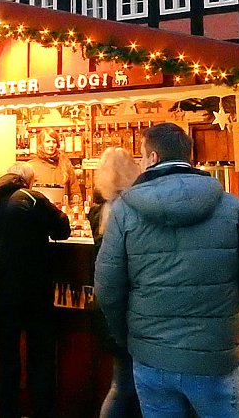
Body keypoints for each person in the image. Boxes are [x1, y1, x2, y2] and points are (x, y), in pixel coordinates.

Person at [95, 123, 239, 418]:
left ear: (153, 157)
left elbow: (107, 289)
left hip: (151, 355)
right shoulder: (230, 206)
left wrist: (129, 337)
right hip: (213, 356)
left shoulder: (125, 211)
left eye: (142, 156)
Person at [0, 162, 71, 418]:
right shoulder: (33, 199)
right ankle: (42, 411)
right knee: (41, 355)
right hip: (35, 290)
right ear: (27, 181)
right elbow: (63, 231)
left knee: (5, 356)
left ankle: (7, 411)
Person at [87, 147, 142, 418]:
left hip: (106, 302)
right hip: (132, 304)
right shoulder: (135, 208)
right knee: (128, 383)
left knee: (121, 382)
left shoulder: (99, 211)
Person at [27, 129, 80, 199]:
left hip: (61, 209)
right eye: (47, 142)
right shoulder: (31, 166)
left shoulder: (65, 164)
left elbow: (75, 193)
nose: (51, 145)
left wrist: (76, 207)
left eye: (54, 142)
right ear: (40, 144)